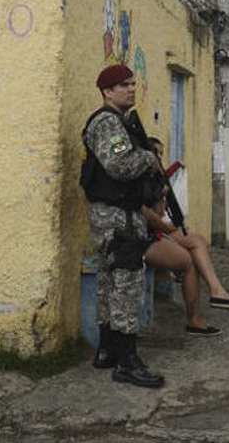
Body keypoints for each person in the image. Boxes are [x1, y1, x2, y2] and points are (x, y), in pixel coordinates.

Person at [81, 64, 166, 388]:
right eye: (123, 85)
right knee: (127, 286)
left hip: (116, 215)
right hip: (116, 217)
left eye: (132, 83)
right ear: (107, 91)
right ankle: (128, 362)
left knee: (109, 283)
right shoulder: (107, 122)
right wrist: (149, 156)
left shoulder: (122, 122)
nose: (131, 89)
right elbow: (119, 165)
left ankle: (107, 351)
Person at [140, 138, 229, 337]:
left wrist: (162, 193)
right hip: (144, 236)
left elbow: (160, 211)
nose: (159, 158)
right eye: (155, 153)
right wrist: (167, 226)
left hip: (155, 231)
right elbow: (148, 215)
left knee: (198, 242)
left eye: (161, 154)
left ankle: (216, 291)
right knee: (189, 260)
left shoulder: (154, 177)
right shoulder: (139, 178)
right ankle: (197, 317)